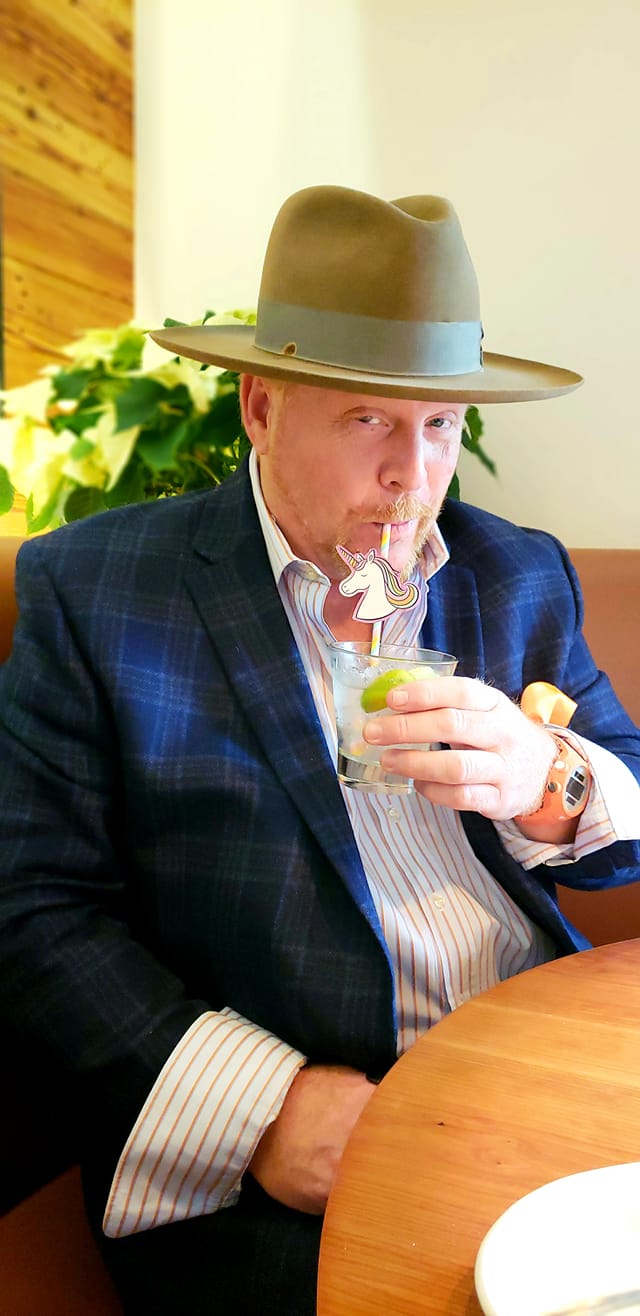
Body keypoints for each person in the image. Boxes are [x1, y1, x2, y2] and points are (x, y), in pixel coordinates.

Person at [1, 185, 639, 1316]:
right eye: (366, 420)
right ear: (258, 404)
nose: (412, 472)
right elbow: (32, 908)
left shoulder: (512, 572)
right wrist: (265, 1111)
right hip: (282, 1145)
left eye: (438, 423)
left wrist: (558, 781)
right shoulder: (99, 591)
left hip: (524, 1074)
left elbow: (623, 813)